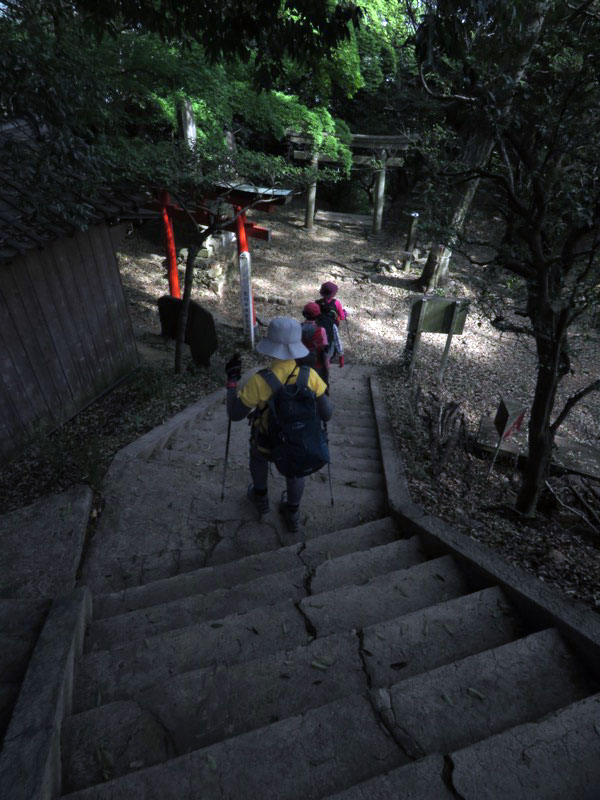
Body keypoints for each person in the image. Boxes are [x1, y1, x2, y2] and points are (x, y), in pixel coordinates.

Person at [225, 317, 333, 533]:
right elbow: (327, 414)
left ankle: (260, 497)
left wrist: (231, 383)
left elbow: (235, 414)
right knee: (296, 473)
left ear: (270, 348)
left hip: (266, 442)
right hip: (297, 444)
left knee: (257, 458)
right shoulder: (309, 376)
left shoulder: (260, 380)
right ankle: (292, 512)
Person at [297, 301, 330, 387]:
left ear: (304, 314)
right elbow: (324, 348)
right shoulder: (321, 330)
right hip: (316, 362)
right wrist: (327, 364)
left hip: (300, 360)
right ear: (318, 315)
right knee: (316, 383)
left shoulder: (298, 327)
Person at [316, 281, 346, 368]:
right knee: (331, 343)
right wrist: (344, 313)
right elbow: (342, 317)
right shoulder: (336, 303)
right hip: (331, 328)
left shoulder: (317, 302)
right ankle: (328, 363)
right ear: (333, 294)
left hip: (319, 327)